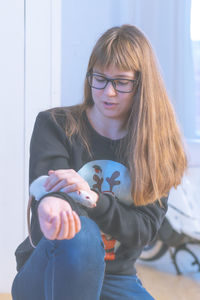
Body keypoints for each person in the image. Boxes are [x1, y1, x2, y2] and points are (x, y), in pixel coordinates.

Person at [11, 24, 187, 300]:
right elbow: (52, 193)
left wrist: (93, 199)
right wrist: (51, 204)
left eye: (122, 82)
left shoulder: (157, 147)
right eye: (100, 78)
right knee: (80, 231)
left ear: (142, 85)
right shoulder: (55, 125)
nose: (108, 92)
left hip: (117, 278)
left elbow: (144, 230)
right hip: (51, 269)